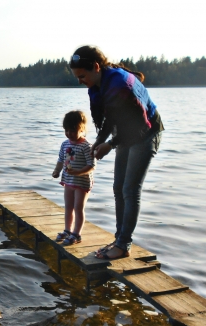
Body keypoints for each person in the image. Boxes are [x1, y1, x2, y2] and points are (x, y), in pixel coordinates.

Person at [69, 45, 164, 259]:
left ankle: (123, 245)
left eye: (82, 76)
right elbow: (112, 117)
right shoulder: (100, 84)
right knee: (118, 187)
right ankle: (119, 240)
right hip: (127, 134)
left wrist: (110, 145)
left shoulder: (120, 84)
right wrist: (99, 141)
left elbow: (141, 124)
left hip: (147, 133)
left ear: (96, 67)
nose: (79, 81)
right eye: (77, 77)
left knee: (130, 189)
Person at [51, 110, 96, 246]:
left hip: (82, 182)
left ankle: (77, 234)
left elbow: (91, 165)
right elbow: (60, 160)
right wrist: (57, 171)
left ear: (81, 129)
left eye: (73, 130)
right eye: (67, 130)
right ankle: (67, 230)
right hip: (68, 181)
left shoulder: (86, 146)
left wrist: (78, 172)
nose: (69, 133)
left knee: (78, 208)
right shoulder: (65, 144)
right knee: (68, 207)